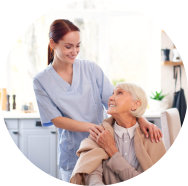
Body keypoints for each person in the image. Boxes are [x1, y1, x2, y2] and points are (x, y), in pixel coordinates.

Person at [33, 19, 162, 182]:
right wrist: (94, 128)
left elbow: (115, 102)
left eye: (78, 45)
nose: (75, 51)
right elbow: (56, 120)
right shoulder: (41, 80)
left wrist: (141, 120)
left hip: (101, 149)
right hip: (72, 154)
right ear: (53, 43)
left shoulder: (91, 69)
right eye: (68, 46)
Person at [70, 82, 166, 185]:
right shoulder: (100, 133)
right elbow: (92, 173)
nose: (110, 98)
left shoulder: (152, 137)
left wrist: (113, 151)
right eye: (112, 93)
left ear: (135, 104)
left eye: (119, 93)